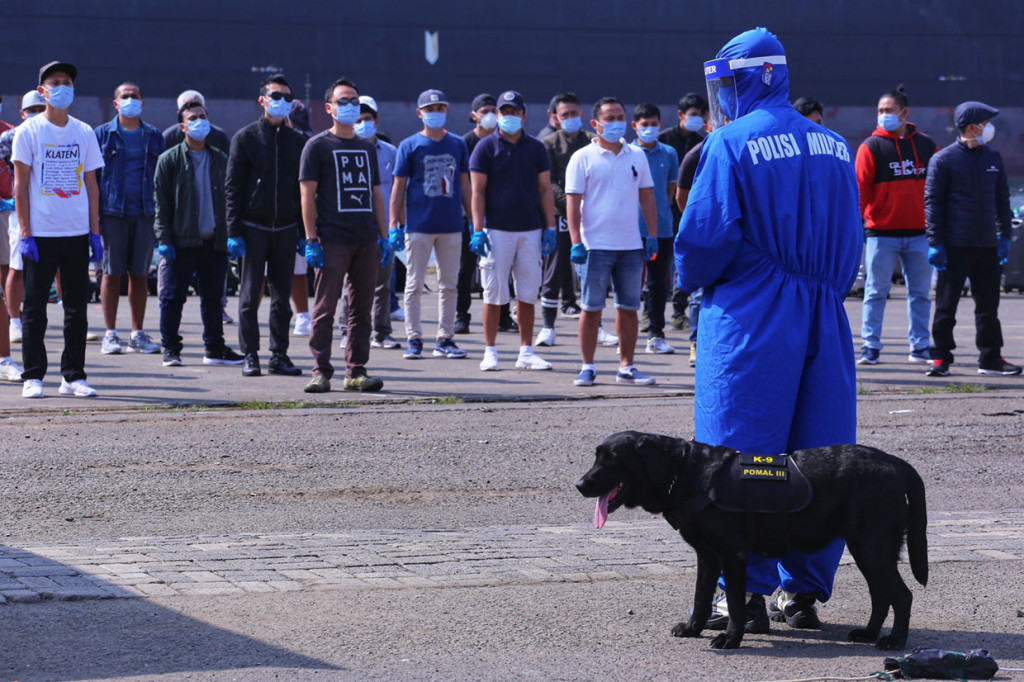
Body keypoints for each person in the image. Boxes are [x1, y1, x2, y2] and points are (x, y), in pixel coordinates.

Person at [675, 28, 862, 630]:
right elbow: (853, 241)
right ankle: (802, 590)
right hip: (824, 309)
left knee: (737, 452)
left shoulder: (729, 144)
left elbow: (703, 239)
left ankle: (742, 591)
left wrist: (693, 284)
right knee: (821, 450)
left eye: (728, 84)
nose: (722, 96)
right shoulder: (834, 144)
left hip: (752, 312)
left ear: (754, 78)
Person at [12, 61, 105, 398]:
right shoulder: (29, 132)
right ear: (42, 90)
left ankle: (73, 376)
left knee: (76, 308)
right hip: (41, 234)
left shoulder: (84, 132)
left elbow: (91, 185)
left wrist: (95, 233)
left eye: (67, 82)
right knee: (35, 308)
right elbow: (20, 186)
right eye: (55, 82)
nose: (63, 87)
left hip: (76, 233)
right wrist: (25, 233)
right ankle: (33, 376)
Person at [300, 77, 390, 393]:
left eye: (355, 101)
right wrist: (311, 238)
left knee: (361, 309)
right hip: (332, 239)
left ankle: (356, 371)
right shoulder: (317, 146)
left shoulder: (367, 148)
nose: (350, 106)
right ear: (329, 108)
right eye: (343, 101)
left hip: (365, 239)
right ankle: (320, 371)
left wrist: (384, 235)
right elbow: (307, 196)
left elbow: (376, 194)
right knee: (325, 308)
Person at [565, 96, 659, 387]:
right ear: (595, 124)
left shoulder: (636, 155)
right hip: (595, 246)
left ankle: (627, 366)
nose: (617, 123)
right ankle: (587, 366)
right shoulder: (582, 157)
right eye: (610, 118)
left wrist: (652, 235)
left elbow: (646, 197)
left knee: (628, 307)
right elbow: (572, 201)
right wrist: (576, 241)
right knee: (591, 308)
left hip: (630, 245)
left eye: (620, 117)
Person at [924, 101, 1021, 377]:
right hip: (954, 245)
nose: (990, 128)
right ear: (971, 126)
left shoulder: (993, 157)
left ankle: (990, 358)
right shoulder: (943, 160)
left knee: (988, 307)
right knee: (946, 306)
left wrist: (1004, 235)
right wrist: (935, 242)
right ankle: (941, 358)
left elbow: (1002, 199)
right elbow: (932, 203)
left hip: (987, 245)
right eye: (986, 122)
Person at [469, 90, 556, 372]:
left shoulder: (536, 148)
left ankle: (526, 351)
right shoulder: (485, 147)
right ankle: (490, 350)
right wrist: (478, 229)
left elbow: (545, 189)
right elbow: (477, 191)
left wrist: (550, 227)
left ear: (523, 115)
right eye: (504, 112)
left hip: (530, 230)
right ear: (497, 115)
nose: (509, 117)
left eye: (514, 112)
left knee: (528, 293)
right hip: (496, 231)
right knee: (493, 293)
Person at [154, 100, 244, 368]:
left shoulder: (220, 158)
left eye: (203, 116)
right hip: (182, 242)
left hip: (214, 241)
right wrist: (164, 239)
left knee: (214, 300)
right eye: (193, 117)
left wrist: (232, 233)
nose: (199, 121)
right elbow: (161, 204)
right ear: (183, 126)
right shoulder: (168, 160)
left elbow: (231, 199)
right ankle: (170, 349)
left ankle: (214, 349)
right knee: (172, 299)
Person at [226, 74, 305, 378]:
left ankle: (279, 355)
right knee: (248, 298)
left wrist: (303, 232)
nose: (282, 102)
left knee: (282, 298)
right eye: (276, 96)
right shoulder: (245, 138)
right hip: (253, 227)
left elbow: (304, 190)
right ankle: (250, 355)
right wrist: (233, 231)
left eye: (287, 97)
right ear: (262, 101)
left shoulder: (299, 141)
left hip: (285, 229)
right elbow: (232, 187)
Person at [855, 85, 937, 366]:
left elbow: (937, 190)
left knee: (920, 295)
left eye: (889, 110)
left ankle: (920, 347)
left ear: (905, 113)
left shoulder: (926, 146)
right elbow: (860, 191)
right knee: (875, 293)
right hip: (880, 234)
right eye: (880, 111)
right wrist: (859, 227)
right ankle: (870, 347)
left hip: (919, 235)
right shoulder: (870, 147)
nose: (883, 115)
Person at [389, 88, 470, 361]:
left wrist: (475, 223)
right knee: (414, 285)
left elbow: (466, 186)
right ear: (419, 113)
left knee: (449, 285)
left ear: (446, 111)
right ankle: (414, 339)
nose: (435, 113)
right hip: (418, 226)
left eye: (440, 108)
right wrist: (393, 224)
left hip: (451, 226)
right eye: (430, 109)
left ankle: (445, 339)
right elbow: (398, 188)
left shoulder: (458, 144)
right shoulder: (409, 145)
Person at [94, 81, 164, 356]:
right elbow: (93, 179)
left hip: (146, 213)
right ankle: (110, 334)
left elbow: (161, 177)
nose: (130, 100)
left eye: (135, 96)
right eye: (125, 96)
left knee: (139, 275)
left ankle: (137, 334)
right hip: (113, 214)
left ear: (142, 103)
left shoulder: (154, 136)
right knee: (111, 274)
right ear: (115, 103)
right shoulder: (102, 135)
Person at [337, 95, 400, 350]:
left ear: (376, 121)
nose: (363, 123)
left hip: (384, 228)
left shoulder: (391, 153)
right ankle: (345, 330)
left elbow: (398, 190)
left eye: (368, 118)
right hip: (354, 226)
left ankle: (382, 332)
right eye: (359, 119)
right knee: (349, 282)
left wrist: (397, 224)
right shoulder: (344, 149)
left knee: (384, 283)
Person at [536, 92, 592, 347]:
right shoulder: (547, 144)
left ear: (582, 114)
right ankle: (547, 327)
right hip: (560, 215)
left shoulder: (593, 141)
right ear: (555, 118)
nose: (570, 118)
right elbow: (548, 183)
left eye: (574, 113)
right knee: (554, 270)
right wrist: (574, 202)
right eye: (564, 114)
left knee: (593, 272)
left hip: (592, 216)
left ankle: (597, 325)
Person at [631, 103, 678, 355]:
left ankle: (656, 335)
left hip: (661, 229)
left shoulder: (669, 153)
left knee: (658, 284)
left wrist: (657, 214)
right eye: (644, 124)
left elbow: (669, 192)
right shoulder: (627, 152)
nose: (649, 129)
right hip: (628, 229)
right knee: (628, 284)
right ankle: (624, 334)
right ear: (635, 126)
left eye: (653, 124)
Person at [660, 92, 707, 331]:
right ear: (681, 115)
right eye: (693, 115)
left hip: (689, 209)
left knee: (682, 261)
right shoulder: (664, 140)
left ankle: (679, 310)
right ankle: (659, 311)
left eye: (700, 115)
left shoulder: (703, 143)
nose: (697, 119)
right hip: (667, 208)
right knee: (661, 259)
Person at [1, 90, 45, 345]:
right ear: (22, 114)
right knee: (16, 266)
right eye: (32, 111)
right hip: (21, 210)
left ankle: (40, 317)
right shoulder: (11, 136)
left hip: (52, 210)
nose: (37, 115)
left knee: (52, 268)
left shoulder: (57, 134)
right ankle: (14, 321)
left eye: (41, 110)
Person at [454, 92, 498, 334]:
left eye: (494, 110)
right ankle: (461, 316)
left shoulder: (503, 141)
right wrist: (470, 218)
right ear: (474, 116)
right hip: (469, 218)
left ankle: (501, 317)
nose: (490, 116)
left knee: (499, 269)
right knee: (465, 268)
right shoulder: (464, 143)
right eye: (485, 111)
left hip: (498, 217)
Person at [674, 108, 711, 368]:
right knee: (698, 293)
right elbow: (681, 197)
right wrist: (698, 223)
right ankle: (696, 342)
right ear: (707, 127)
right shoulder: (696, 155)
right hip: (704, 233)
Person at [162, 90, 231, 154]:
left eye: (199, 107)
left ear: (205, 110)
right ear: (180, 113)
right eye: (188, 108)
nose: (195, 111)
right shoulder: (168, 138)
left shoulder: (219, 137)